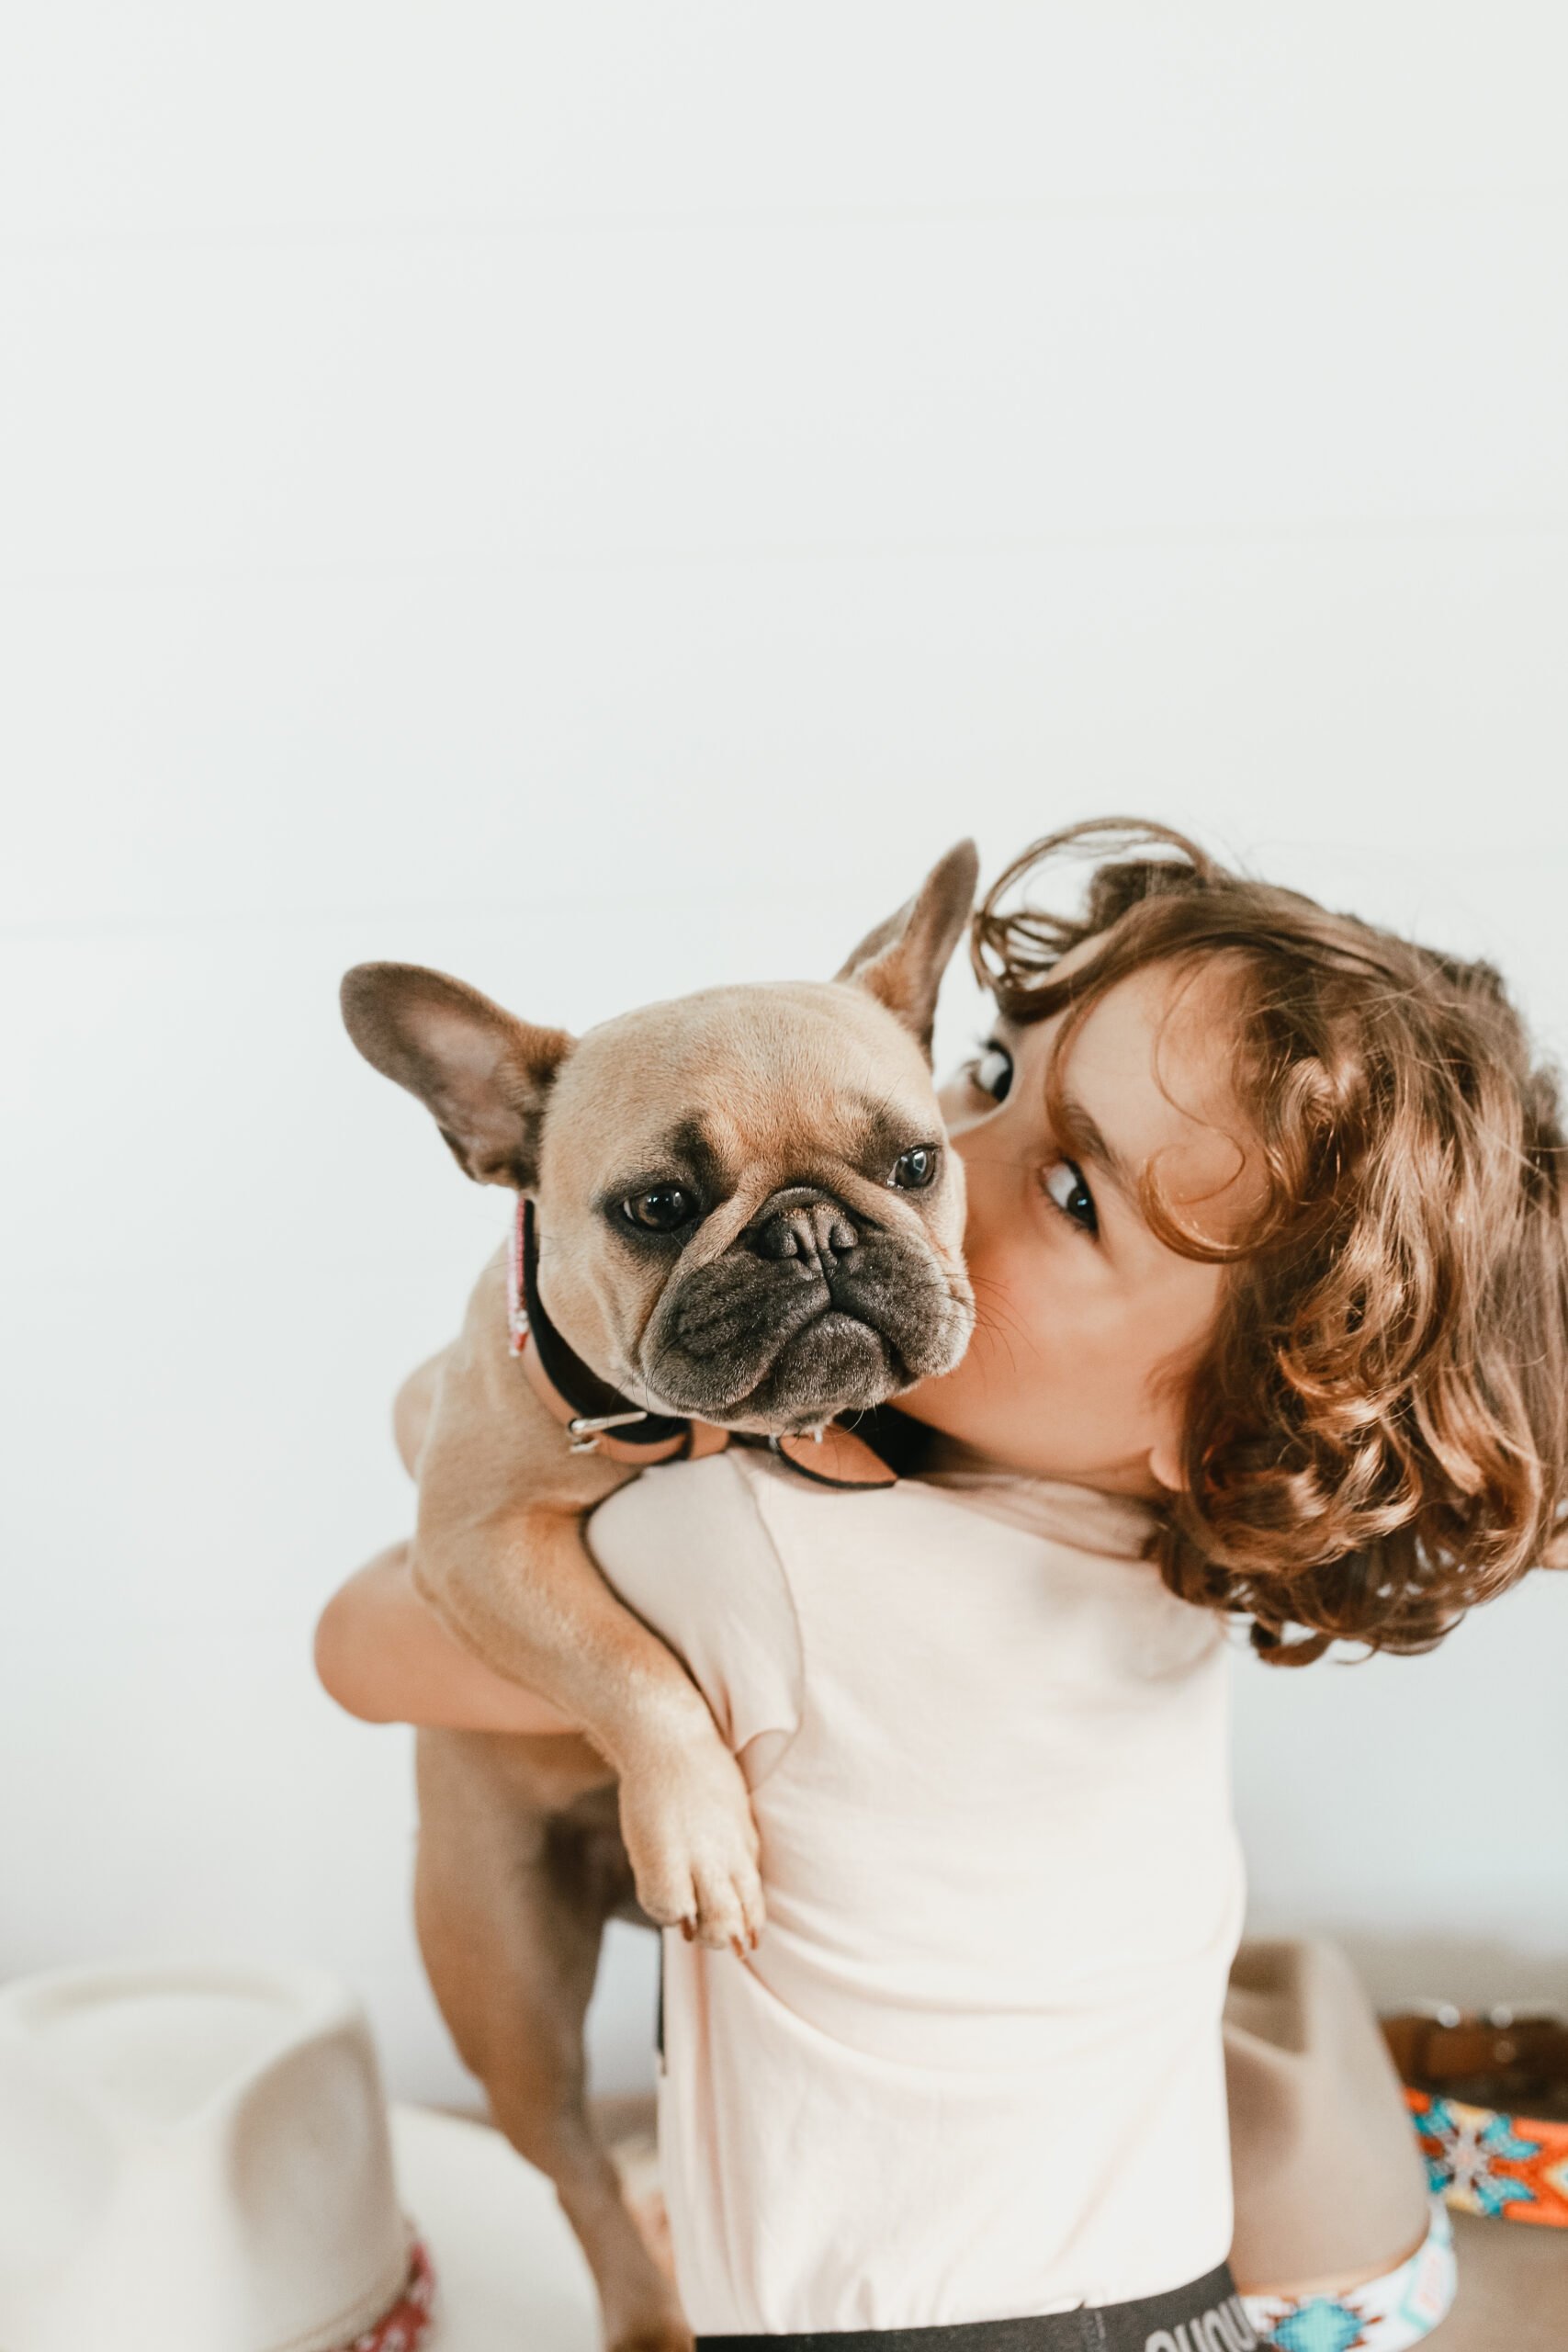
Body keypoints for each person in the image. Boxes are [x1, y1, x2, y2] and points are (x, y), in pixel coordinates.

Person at [317, 820, 1568, 2345]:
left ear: (1225, 1424)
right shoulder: (1184, 1541)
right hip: (1162, 2279)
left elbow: (361, 1643)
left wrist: (456, 1424)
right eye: (981, 1085)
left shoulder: (758, 1551)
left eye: (1064, 1192)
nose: (863, 1223)